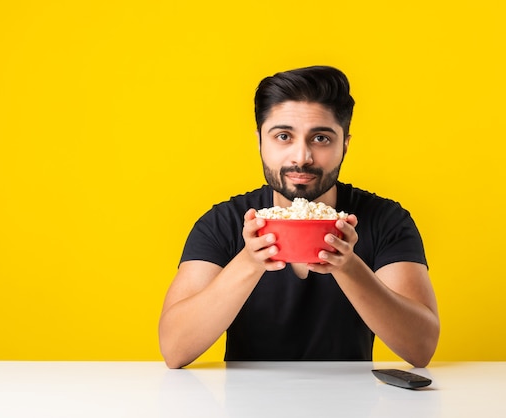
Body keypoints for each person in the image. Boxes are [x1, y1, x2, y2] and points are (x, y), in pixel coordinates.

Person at [159, 65, 440, 368]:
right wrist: (249, 261)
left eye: (321, 138)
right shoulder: (223, 223)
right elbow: (175, 350)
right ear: (259, 142)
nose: (301, 157)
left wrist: (349, 267)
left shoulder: (386, 220)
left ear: (345, 144)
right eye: (283, 136)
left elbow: (420, 348)